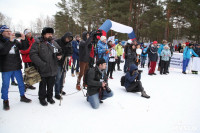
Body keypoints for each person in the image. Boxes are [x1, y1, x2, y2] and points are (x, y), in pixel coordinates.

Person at [0, 25, 32, 110]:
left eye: (10, 30)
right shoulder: (2, 41)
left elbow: (24, 47)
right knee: (6, 85)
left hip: (16, 66)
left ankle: (22, 96)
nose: (9, 32)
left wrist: (24, 39)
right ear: (2, 33)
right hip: (6, 67)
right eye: (7, 31)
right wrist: (10, 41)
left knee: (21, 83)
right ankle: (5, 100)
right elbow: (3, 51)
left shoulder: (14, 41)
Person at [30, 27, 62, 106]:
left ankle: (49, 97)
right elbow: (33, 55)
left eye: (51, 34)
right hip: (43, 69)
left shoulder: (54, 42)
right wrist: (41, 64)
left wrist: (60, 56)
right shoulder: (38, 42)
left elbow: (59, 50)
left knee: (51, 85)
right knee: (43, 85)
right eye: (48, 34)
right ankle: (42, 98)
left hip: (53, 68)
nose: (50, 35)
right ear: (44, 34)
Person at [54, 32, 73, 100]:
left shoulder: (69, 43)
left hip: (64, 62)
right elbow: (54, 50)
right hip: (58, 62)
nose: (68, 40)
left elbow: (71, 51)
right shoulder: (58, 41)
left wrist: (68, 53)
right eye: (67, 38)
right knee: (58, 78)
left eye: (69, 39)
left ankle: (60, 89)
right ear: (65, 36)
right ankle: (56, 93)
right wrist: (60, 53)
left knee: (63, 77)